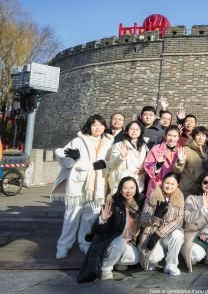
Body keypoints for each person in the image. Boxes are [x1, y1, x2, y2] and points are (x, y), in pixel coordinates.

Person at [52, 115, 114, 259]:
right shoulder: (78, 141)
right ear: (89, 126)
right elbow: (65, 162)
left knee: (90, 218)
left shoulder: (109, 143)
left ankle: (85, 244)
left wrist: (105, 164)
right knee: (71, 217)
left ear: (105, 127)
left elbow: (112, 162)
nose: (97, 128)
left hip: (98, 185)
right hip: (78, 184)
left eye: (100, 125)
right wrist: (72, 158)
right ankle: (63, 246)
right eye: (94, 125)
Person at [78, 176, 142, 282]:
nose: (129, 191)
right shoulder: (113, 205)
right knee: (120, 242)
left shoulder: (139, 204)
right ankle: (106, 268)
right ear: (120, 190)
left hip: (129, 242)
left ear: (136, 189)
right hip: (112, 241)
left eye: (132, 188)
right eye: (125, 188)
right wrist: (102, 219)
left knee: (135, 258)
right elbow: (96, 230)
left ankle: (116, 261)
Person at [139, 172, 185, 276]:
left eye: (172, 184)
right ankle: (155, 260)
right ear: (162, 182)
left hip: (166, 235)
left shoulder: (180, 198)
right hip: (152, 233)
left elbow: (179, 220)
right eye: (167, 183)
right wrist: (155, 217)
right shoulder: (153, 195)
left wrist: (159, 233)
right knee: (153, 257)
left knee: (178, 235)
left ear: (178, 185)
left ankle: (171, 265)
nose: (169, 186)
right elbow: (143, 220)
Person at [180, 172, 208, 271]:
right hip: (193, 232)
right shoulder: (191, 198)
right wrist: (202, 209)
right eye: (205, 182)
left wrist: (206, 230)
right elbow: (187, 218)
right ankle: (198, 253)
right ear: (201, 183)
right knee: (196, 255)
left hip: (207, 231)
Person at [108, 121, 148, 195]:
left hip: (138, 183)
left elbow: (147, 162)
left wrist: (144, 169)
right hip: (123, 183)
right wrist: (121, 157)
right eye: (131, 129)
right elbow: (111, 164)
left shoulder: (144, 146)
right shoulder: (119, 145)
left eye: (137, 129)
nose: (134, 131)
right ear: (127, 131)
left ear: (141, 131)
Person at [144, 125, 181, 198]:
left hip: (173, 187)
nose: (171, 138)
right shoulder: (156, 149)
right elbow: (147, 166)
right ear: (165, 136)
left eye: (174, 136)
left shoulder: (180, 150)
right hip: (157, 186)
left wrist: (181, 161)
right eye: (169, 135)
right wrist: (158, 165)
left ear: (178, 137)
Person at [174, 126, 208, 197]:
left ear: (206, 137)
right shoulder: (186, 149)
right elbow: (177, 170)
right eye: (198, 135)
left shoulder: (207, 150)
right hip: (188, 189)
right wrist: (180, 162)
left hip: (202, 190)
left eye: (203, 135)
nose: (201, 138)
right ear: (193, 136)